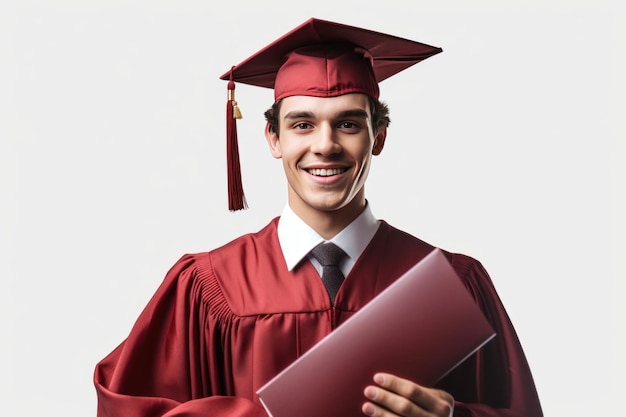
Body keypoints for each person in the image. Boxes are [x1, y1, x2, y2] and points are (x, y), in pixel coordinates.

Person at [93, 18, 543, 417]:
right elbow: (125, 409)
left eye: (348, 123)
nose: (325, 144)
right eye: (302, 124)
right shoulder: (210, 287)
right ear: (273, 138)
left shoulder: (451, 283)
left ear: (379, 136)